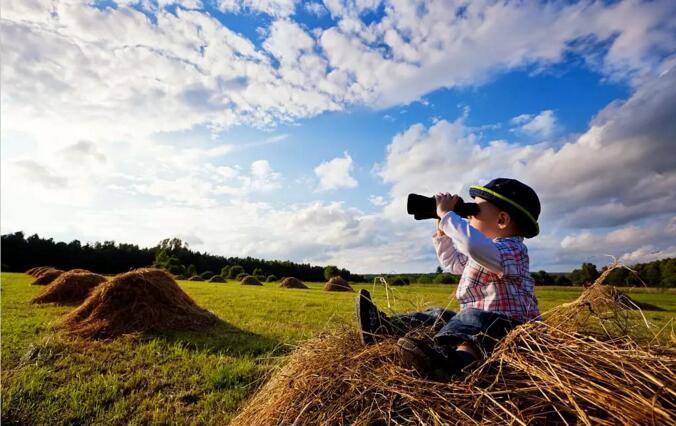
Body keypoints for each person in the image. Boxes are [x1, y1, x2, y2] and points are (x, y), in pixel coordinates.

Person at [356, 178, 541, 380]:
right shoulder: (486, 252)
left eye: (474, 212)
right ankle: (383, 327)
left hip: (509, 327)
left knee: (474, 324)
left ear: (502, 220)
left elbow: (472, 244)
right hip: (477, 320)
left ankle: (452, 365)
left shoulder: (512, 250)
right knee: (439, 315)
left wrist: (448, 215)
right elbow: (453, 264)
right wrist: (443, 232)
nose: (469, 217)